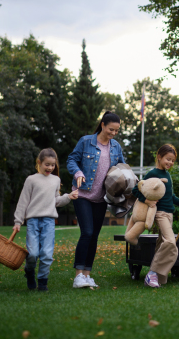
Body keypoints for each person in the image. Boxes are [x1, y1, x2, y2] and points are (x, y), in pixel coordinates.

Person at [67, 111, 125, 289]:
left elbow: (122, 168)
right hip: (82, 194)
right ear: (102, 125)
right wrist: (78, 173)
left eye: (116, 130)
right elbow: (71, 160)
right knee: (87, 233)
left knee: (94, 236)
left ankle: (87, 275)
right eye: (110, 129)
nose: (113, 133)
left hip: (101, 198)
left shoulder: (116, 147)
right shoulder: (86, 141)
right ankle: (78, 276)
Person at [13, 148, 79, 291]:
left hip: (49, 221)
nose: (50, 168)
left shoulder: (56, 180)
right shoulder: (31, 180)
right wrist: (18, 222)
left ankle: (42, 282)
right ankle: (29, 271)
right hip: (33, 221)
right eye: (47, 164)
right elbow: (23, 201)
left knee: (47, 254)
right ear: (39, 163)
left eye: (52, 165)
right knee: (32, 254)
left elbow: (56, 201)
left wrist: (68, 197)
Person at [132, 144, 179, 288]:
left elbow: (170, 196)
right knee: (170, 242)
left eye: (173, 160)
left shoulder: (167, 175)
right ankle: (152, 273)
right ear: (159, 157)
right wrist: (147, 201)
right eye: (168, 159)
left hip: (169, 214)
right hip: (160, 214)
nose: (170, 163)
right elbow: (135, 190)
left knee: (162, 244)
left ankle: (158, 278)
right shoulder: (152, 173)